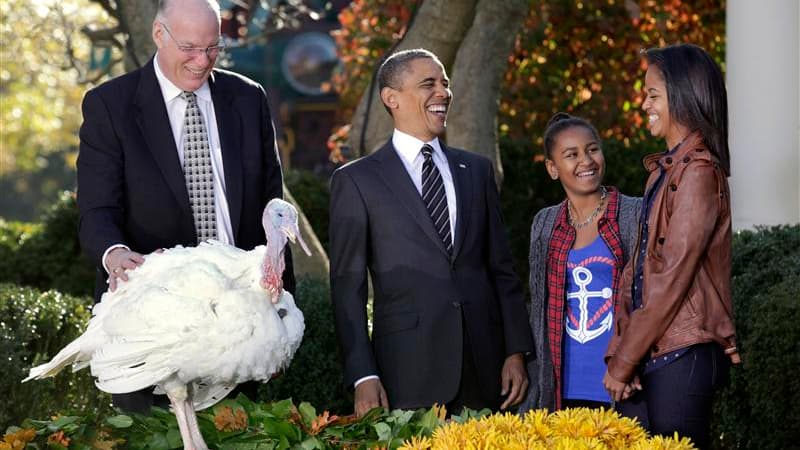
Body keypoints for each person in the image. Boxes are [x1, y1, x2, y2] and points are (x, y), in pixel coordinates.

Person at [76, 0, 294, 413]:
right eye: (190, 48)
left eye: (213, 48)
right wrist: (113, 253)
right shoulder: (110, 106)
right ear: (159, 35)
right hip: (153, 329)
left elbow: (274, 214)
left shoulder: (248, 99)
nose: (202, 61)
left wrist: (282, 314)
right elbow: (96, 208)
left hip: (241, 327)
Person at [329, 48, 534, 417]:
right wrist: (362, 374)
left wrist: (515, 350)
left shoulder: (476, 171)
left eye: (445, 83)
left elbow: (501, 270)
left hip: (485, 369)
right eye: (429, 84)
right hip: (406, 372)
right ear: (391, 98)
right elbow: (347, 288)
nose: (443, 92)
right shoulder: (356, 181)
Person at [603, 43, 740, 449]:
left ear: (682, 96)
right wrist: (623, 354)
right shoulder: (663, 172)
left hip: (683, 352)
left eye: (652, 94)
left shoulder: (698, 173)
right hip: (655, 350)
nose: (644, 103)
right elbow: (636, 273)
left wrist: (624, 361)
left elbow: (671, 277)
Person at [517, 113, 641, 413]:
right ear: (552, 168)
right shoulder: (545, 224)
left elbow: (645, 299)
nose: (586, 161)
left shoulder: (634, 214)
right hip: (563, 385)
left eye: (592, 149)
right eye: (571, 155)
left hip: (620, 380)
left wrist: (631, 363)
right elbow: (540, 309)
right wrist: (536, 384)